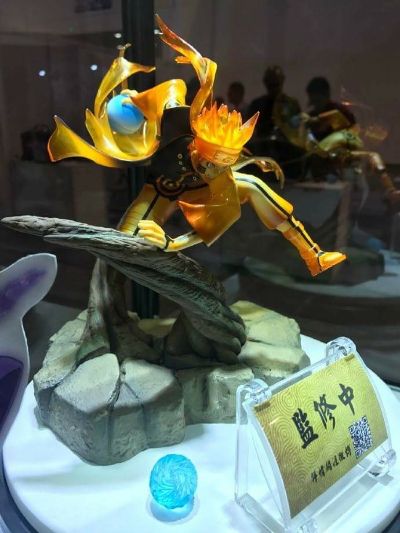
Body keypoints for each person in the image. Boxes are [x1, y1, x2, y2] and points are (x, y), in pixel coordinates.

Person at [48, 16, 346, 277]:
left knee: (254, 186)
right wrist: (134, 101)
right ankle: (109, 294)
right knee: (122, 248)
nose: (214, 169)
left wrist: (172, 243)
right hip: (161, 190)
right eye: (210, 162)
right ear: (197, 145)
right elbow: (161, 97)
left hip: (196, 192)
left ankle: (313, 255)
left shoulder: (220, 175)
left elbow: (215, 223)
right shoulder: (175, 119)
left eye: (221, 164)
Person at [247, 66, 300, 139]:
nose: (274, 89)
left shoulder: (291, 104)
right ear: (265, 82)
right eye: (271, 85)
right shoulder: (257, 104)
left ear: (282, 80)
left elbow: (297, 129)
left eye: (276, 84)